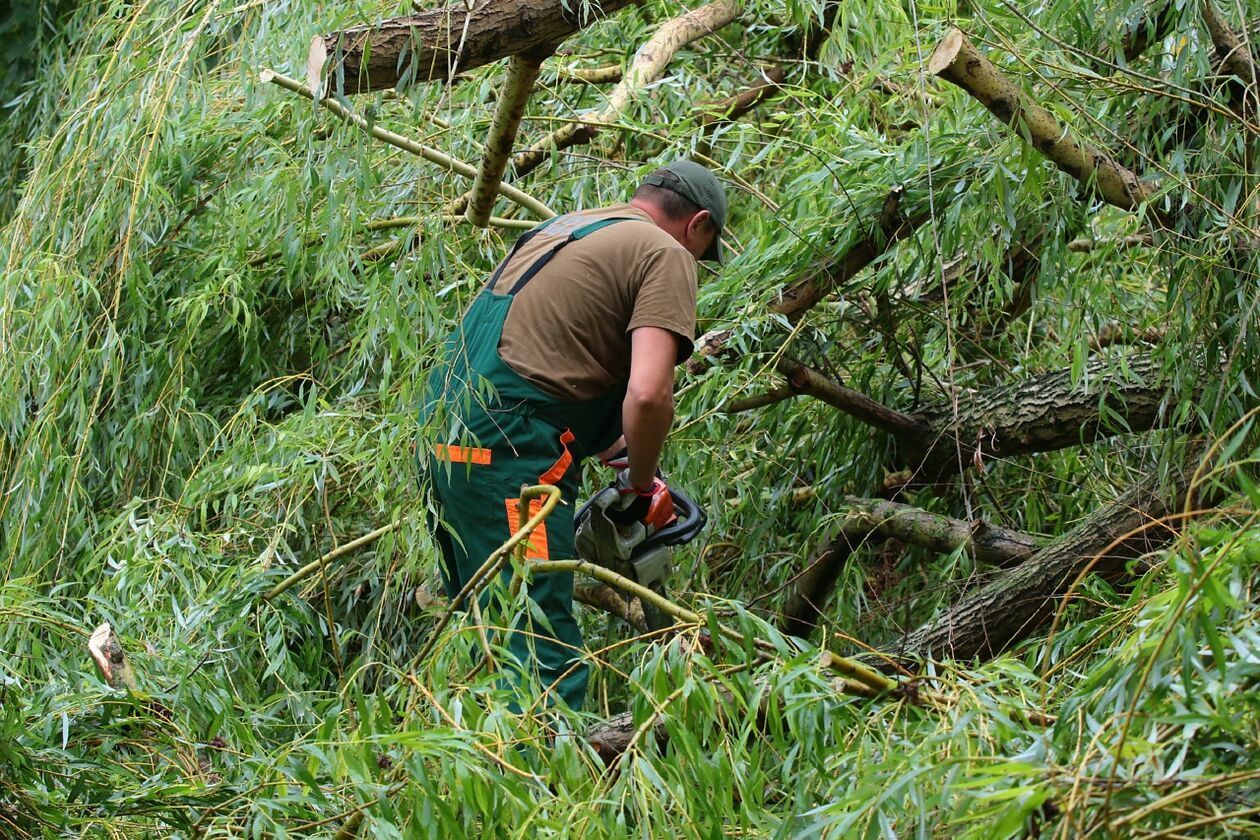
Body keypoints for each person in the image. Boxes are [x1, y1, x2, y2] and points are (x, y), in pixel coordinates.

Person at [420, 160, 727, 711]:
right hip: (513, 461)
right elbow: (650, 395)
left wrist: (605, 439)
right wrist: (637, 486)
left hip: (446, 440)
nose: (698, 263)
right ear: (698, 225)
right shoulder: (667, 253)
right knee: (538, 643)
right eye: (706, 252)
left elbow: (544, 349)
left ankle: (474, 775)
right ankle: (552, 782)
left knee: (484, 633)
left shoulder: (568, 227)